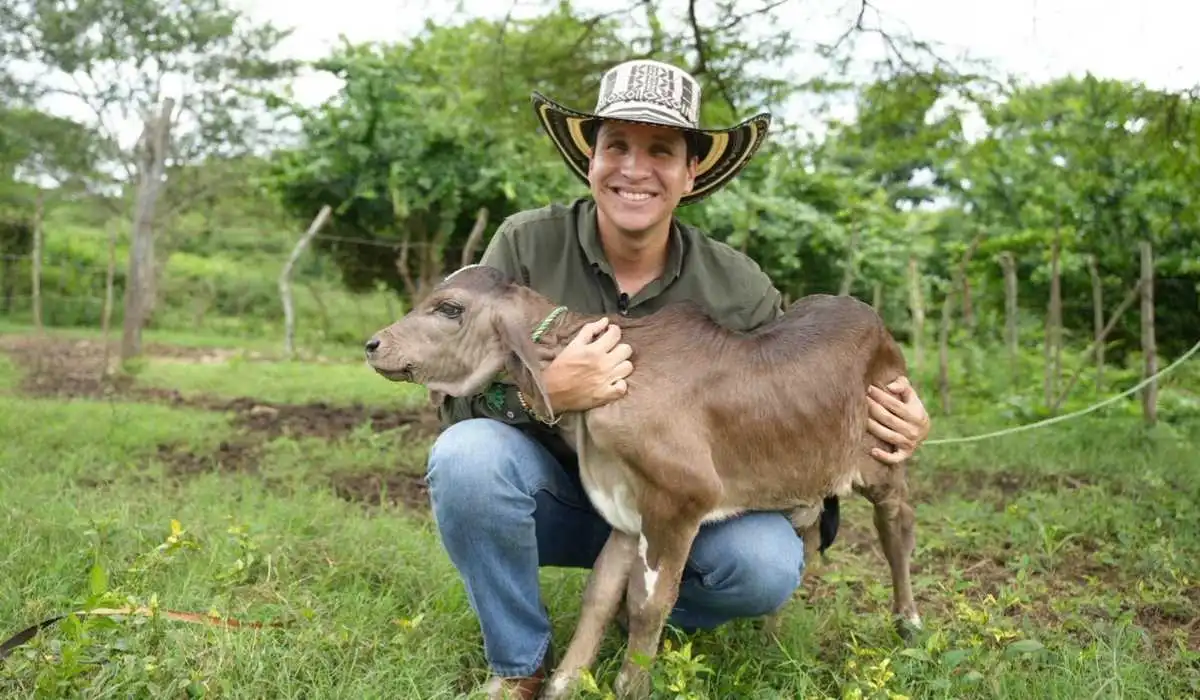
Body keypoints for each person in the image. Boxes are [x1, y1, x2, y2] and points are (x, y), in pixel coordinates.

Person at [425, 59, 932, 699]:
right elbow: (454, 395)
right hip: (550, 492)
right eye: (617, 146)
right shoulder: (525, 249)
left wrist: (897, 418)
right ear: (590, 158)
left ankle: (645, 611)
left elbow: (792, 398)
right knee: (467, 459)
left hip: (681, 506)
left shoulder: (736, 286)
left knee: (764, 566)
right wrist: (545, 393)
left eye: (661, 151)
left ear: (691, 172)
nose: (634, 170)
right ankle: (519, 661)